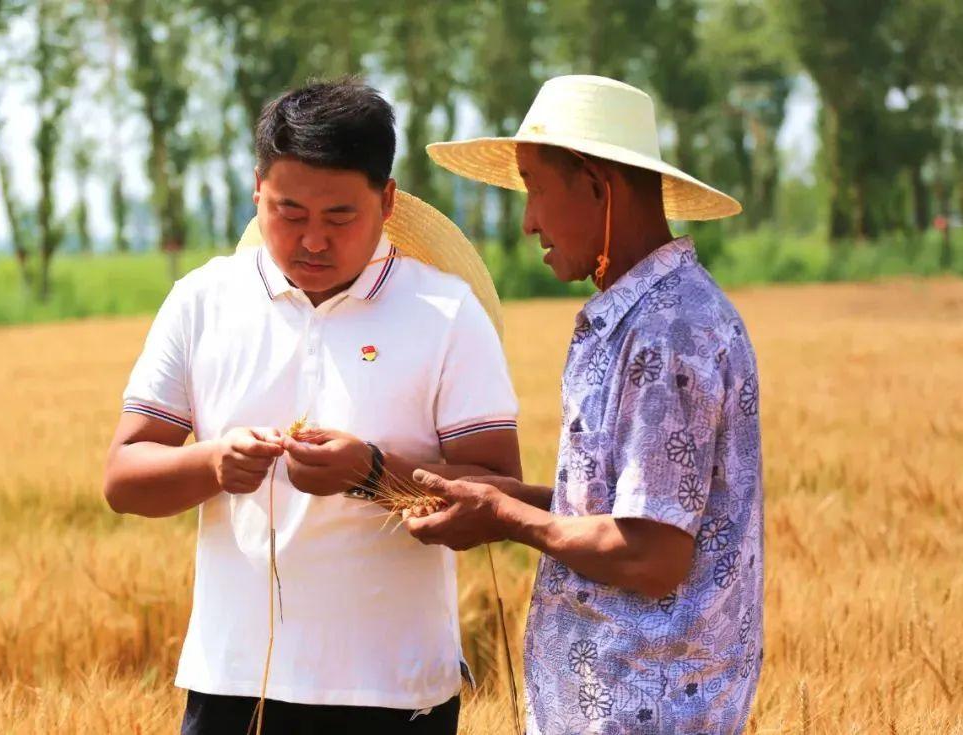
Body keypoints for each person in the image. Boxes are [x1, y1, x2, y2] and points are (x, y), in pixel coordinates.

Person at [103, 79, 521, 735]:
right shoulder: (201, 301)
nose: (313, 241)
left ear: (386, 201)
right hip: (234, 683)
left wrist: (375, 473)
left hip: (396, 692)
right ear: (256, 190)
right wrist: (216, 462)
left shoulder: (446, 312)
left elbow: (503, 498)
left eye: (339, 217)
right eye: (288, 213)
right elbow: (123, 477)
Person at [408, 75, 764, 733]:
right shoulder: (643, 317)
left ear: (600, 188)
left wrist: (508, 516)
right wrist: (506, 500)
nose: (528, 219)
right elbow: (636, 512)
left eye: (536, 187)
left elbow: (650, 554)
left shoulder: (668, 329)